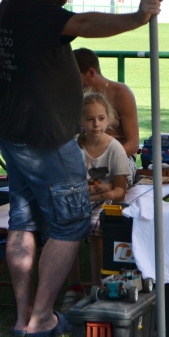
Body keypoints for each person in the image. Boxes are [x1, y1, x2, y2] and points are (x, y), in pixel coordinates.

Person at [0, 0, 160, 337]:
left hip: (14, 131)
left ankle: (23, 317)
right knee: (70, 223)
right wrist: (137, 17)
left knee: (23, 221)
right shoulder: (38, 9)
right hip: (45, 137)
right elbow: (83, 22)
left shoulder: (11, 4)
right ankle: (42, 318)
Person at [61, 92, 132, 311]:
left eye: (101, 118)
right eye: (90, 119)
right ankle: (74, 286)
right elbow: (70, 187)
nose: (96, 124)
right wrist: (103, 188)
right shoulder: (74, 147)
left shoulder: (115, 148)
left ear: (108, 119)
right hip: (80, 197)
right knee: (66, 224)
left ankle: (97, 285)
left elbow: (120, 191)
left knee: (96, 225)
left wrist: (98, 193)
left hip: (103, 201)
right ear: (81, 120)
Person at [73, 47, 140, 161]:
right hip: (86, 157)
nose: (72, 82)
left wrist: (103, 160)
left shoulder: (121, 93)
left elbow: (133, 144)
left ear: (91, 72)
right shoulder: (76, 95)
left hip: (120, 156)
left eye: (75, 77)